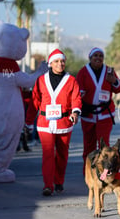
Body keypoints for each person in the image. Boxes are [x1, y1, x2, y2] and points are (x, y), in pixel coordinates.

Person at [26, 49, 82, 196]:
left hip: (64, 122)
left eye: (62, 61)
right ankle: (48, 185)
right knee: (48, 154)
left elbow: (76, 98)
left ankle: (59, 181)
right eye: (56, 61)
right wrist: (28, 122)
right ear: (50, 63)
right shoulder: (40, 80)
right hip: (45, 123)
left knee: (62, 154)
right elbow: (34, 102)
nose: (60, 64)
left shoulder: (71, 80)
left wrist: (75, 112)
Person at [76, 47, 120, 175]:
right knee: (88, 147)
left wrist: (114, 81)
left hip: (105, 115)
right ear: (90, 58)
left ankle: (104, 173)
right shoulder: (83, 72)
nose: (98, 58)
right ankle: (88, 173)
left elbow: (119, 88)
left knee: (104, 146)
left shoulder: (109, 71)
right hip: (88, 114)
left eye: (100, 56)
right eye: (95, 56)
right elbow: (77, 91)